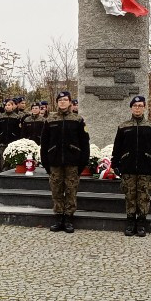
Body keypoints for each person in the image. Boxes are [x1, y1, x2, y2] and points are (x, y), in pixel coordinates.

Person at [111, 95, 151, 237]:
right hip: (128, 167)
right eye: (135, 106)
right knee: (130, 195)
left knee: (144, 196)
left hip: (146, 167)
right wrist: (115, 163)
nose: (137, 108)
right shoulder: (123, 127)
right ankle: (130, 223)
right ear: (131, 108)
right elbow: (117, 148)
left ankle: (141, 223)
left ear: (144, 107)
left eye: (140, 106)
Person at [39, 91, 90, 234]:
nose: (62, 102)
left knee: (71, 190)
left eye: (65, 100)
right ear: (57, 102)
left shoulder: (78, 120)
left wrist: (82, 163)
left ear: (70, 102)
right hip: (54, 162)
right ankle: (58, 217)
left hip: (72, 162)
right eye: (60, 100)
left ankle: (68, 218)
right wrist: (46, 162)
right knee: (56, 190)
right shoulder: (50, 120)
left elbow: (85, 143)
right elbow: (44, 143)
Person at [0, 97, 24, 170]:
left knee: (12, 160)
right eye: (6, 105)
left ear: (12, 106)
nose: (7, 107)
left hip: (13, 142)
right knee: (3, 160)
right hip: (3, 142)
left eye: (9, 105)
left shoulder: (17, 117)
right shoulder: (0, 116)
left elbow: (19, 130)